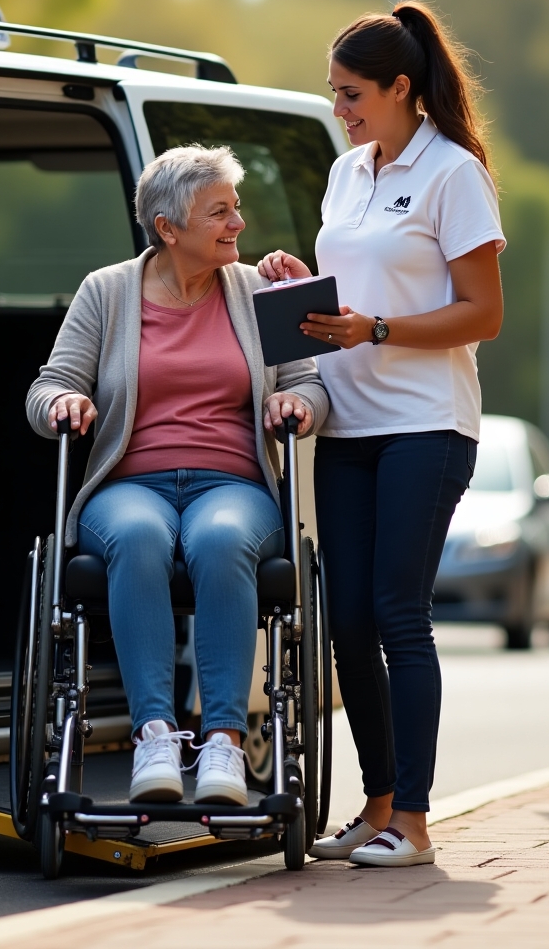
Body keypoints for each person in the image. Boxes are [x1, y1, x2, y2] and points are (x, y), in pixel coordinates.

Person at [258, 4, 505, 867]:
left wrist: (379, 331)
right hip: (349, 420)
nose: (341, 110)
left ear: (403, 89)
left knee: (400, 614)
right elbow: (357, 282)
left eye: (353, 94)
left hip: (426, 424)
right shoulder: (347, 171)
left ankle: (419, 824)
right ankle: (378, 805)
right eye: (333, 94)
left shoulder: (453, 173)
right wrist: (305, 281)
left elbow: (486, 312)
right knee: (349, 625)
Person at [26, 144, 328, 807]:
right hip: (131, 485)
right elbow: (49, 385)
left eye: (236, 208)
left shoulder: (259, 290)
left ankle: (221, 743)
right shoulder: (106, 292)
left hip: (233, 486)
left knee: (220, 542)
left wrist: (297, 403)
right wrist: (61, 404)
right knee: (138, 538)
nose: (238, 224)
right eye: (220, 212)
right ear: (168, 228)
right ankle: (155, 737)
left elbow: (313, 383)